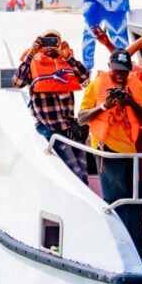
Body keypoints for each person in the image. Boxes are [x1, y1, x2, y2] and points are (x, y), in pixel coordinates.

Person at [78, 48, 142, 263]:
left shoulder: (135, 85)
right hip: (107, 150)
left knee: (134, 200)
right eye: (116, 71)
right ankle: (124, 252)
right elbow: (81, 118)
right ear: (109, 68)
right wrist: (105, 106)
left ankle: (139, 248)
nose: (120, 75)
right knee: (118, 200)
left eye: (124, 71)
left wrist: (129, 102)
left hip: (130, 151)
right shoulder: (96, 85)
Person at [12, 30, 90, 182]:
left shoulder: (66, 60)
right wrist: (31, 54)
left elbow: (85, 78)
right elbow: (17, 83)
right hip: (49, 127)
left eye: (53, 41)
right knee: (73, 174)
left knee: (83, 172)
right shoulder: (33, 62)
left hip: (69, 126)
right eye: (45, 41)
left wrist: (68, 57)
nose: (49, 45)